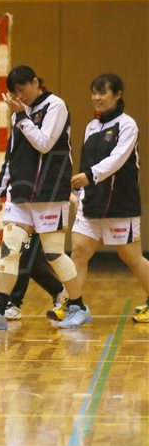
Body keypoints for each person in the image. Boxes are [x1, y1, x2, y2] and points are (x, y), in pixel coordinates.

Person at [0, 65, 90, 330]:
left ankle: (77, 306)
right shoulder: (19, 115)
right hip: (20, 195)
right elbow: (11, 158)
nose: (20, 96)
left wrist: (22, 117)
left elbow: (44, 143)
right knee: (10, 248)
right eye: (14, 93)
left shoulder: (55, 106)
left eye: (22, 89)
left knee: (53, 254)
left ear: (36, 82)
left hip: (49, 194)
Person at [68, 73, 148, 324]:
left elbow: (118, 159)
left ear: (118, 95)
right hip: (92, 200)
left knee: (131, 257)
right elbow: (85, 163)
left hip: (120, 204)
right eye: (94, 92)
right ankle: (74, 305)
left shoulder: (127, 125)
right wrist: (79, 194)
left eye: (102, 92)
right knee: (79, 252)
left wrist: (90, 176)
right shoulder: (92, 126)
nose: (96, 98)